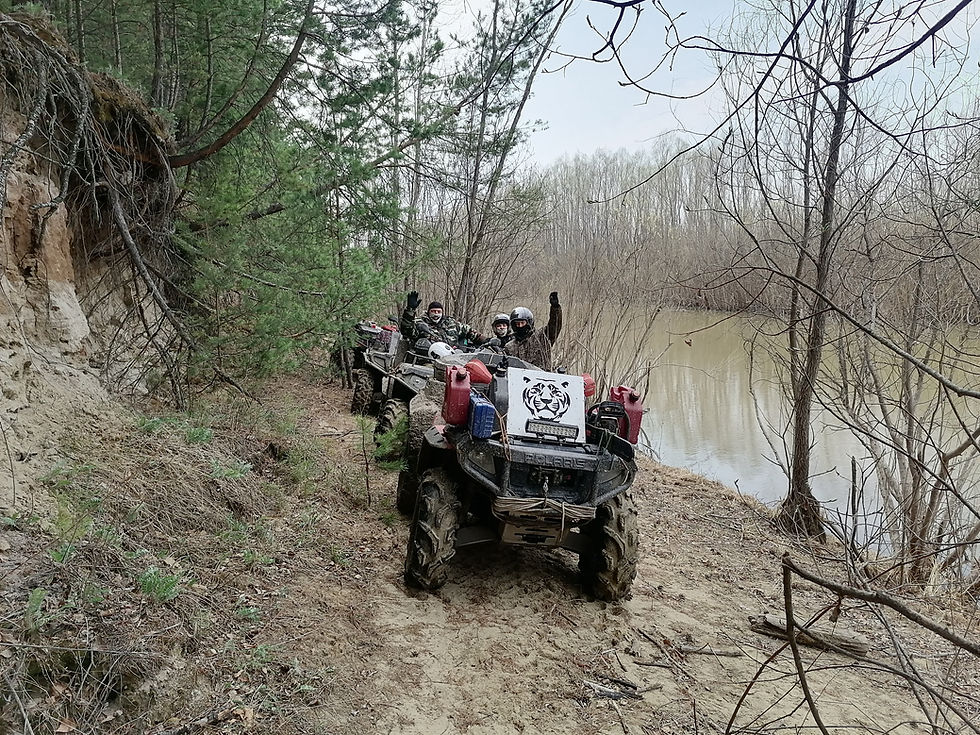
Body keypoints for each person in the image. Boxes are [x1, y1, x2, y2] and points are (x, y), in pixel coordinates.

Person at [400, 291, 483, 347]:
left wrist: (486, 341)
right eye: (433, 311)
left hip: (454, 359)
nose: (436, 314)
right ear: (428, 312)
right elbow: (407, 330)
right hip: (428, 361)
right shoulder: (420, 323)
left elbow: (470, 332)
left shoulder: (452, 323)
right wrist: (410, 310)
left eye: (438, 311)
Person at [504, 291, 562, 371]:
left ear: (529, 323)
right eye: (517, 324)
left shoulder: (541, 337)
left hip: (541, 379)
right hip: (517, 380)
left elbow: (554, 327)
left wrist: (555, 309)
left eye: (522, 323)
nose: (520, 326)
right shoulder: (509, 347)